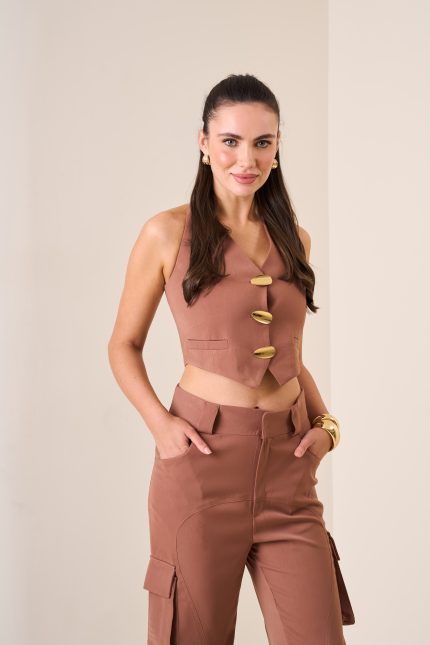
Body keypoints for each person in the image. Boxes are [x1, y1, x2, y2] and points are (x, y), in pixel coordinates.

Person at [108, 74, 355, 645]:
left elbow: (292, 355)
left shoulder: (295, 239)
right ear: (203, 144)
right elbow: (123, 345)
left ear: (278, 146)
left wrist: (327, 427)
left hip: (289, 471)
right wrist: (161, 425)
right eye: (230, 141)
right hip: (202, 464)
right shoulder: (166, 233)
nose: (247, 159)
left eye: (263, 142)